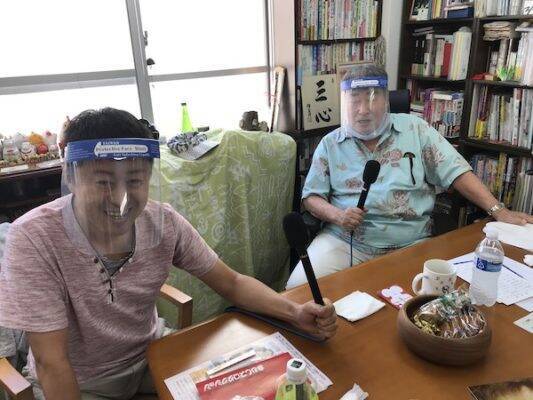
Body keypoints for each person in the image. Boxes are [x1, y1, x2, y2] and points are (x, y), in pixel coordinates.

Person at [0, 108, 337, 400]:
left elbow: (232, 282)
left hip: (152, 355)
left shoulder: (162, 222)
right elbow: (51, 362)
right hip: (82, 381)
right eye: (103, 182)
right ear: (71, 178)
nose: (120, 199)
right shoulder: (33, 238)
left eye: (135, 181)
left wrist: (295, 312)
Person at [286, 63, 533, 289]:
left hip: (410, 242)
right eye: (355, 100)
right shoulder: (331, 143)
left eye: (371, 99)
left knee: (430, 300)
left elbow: (456, 170)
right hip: (345, 239)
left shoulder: (416, 130)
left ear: (386, 99)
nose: (363, 110)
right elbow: (311, 197)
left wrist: (498, 210)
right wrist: (338, 216)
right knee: (298, 289)